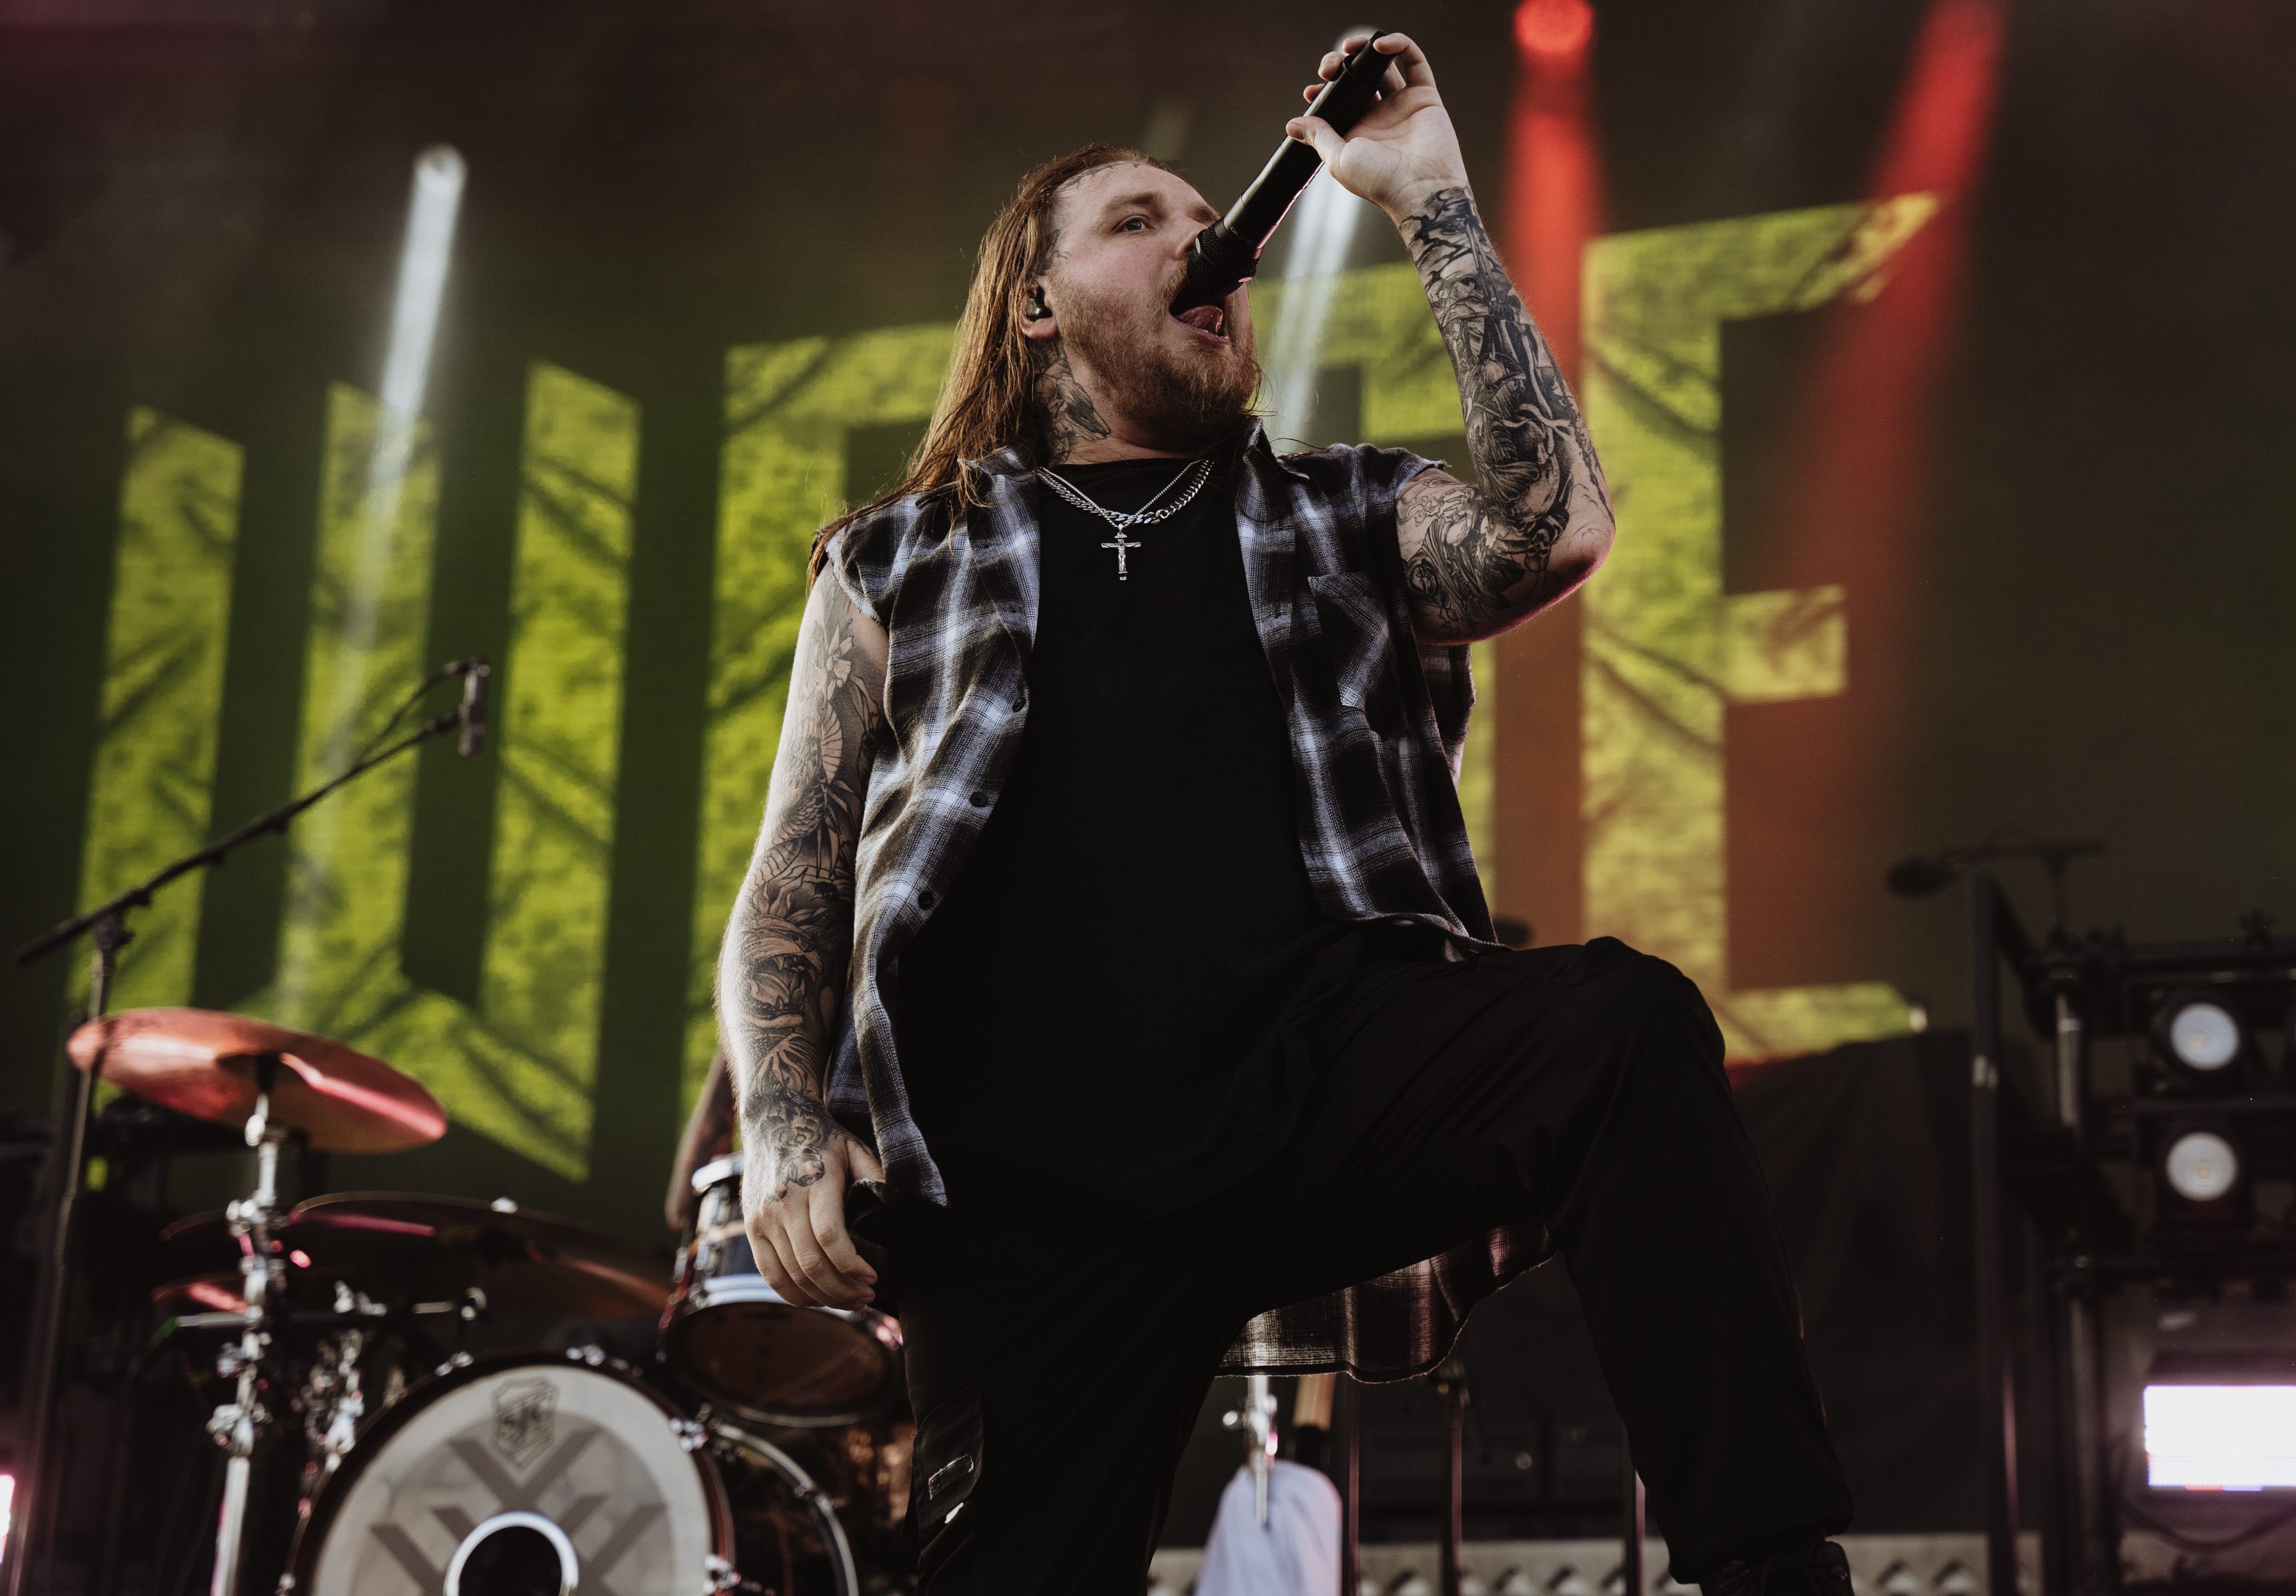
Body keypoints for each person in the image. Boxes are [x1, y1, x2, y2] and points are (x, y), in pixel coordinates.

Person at [712, 31, 1853, 1595]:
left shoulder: (1338, 511)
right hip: (1024, 1181)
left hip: (1315, 1092)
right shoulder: (900, 560)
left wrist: (1430, 196)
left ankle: (1774, 1570)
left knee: (1618, 1028)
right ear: (1036, 307)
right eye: (1139, 222)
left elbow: (1555, 530)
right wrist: (782, 1126)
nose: (1210, 245)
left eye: (1213, 222)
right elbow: (793, 881)